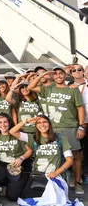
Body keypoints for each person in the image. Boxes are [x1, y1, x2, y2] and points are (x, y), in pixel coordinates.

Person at [28, 66, 85, 194]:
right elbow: (30, 87)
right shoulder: (48, 89)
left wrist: (81, 126)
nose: (58, 76)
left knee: (75, 156)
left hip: (70, 127)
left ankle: (78, 182)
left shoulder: (72, 89)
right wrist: (45, 74)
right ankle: (64, 178)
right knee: (57, 154)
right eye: (56, 74)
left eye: (61, 73)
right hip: (52, 128)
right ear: (53, 76)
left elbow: (80, 108)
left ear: (65, 75)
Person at [9, 114, 73, 199]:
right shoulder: (33, 138)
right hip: (38, 177)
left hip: (54, 177)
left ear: (49, 124)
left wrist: (56, 173)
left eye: (45, 122)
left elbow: (70, 160)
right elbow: (12, 131)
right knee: (27, 199)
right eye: (39, 122)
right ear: (36, 125)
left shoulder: (60, 138)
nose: (42, 125)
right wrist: (27, 121)